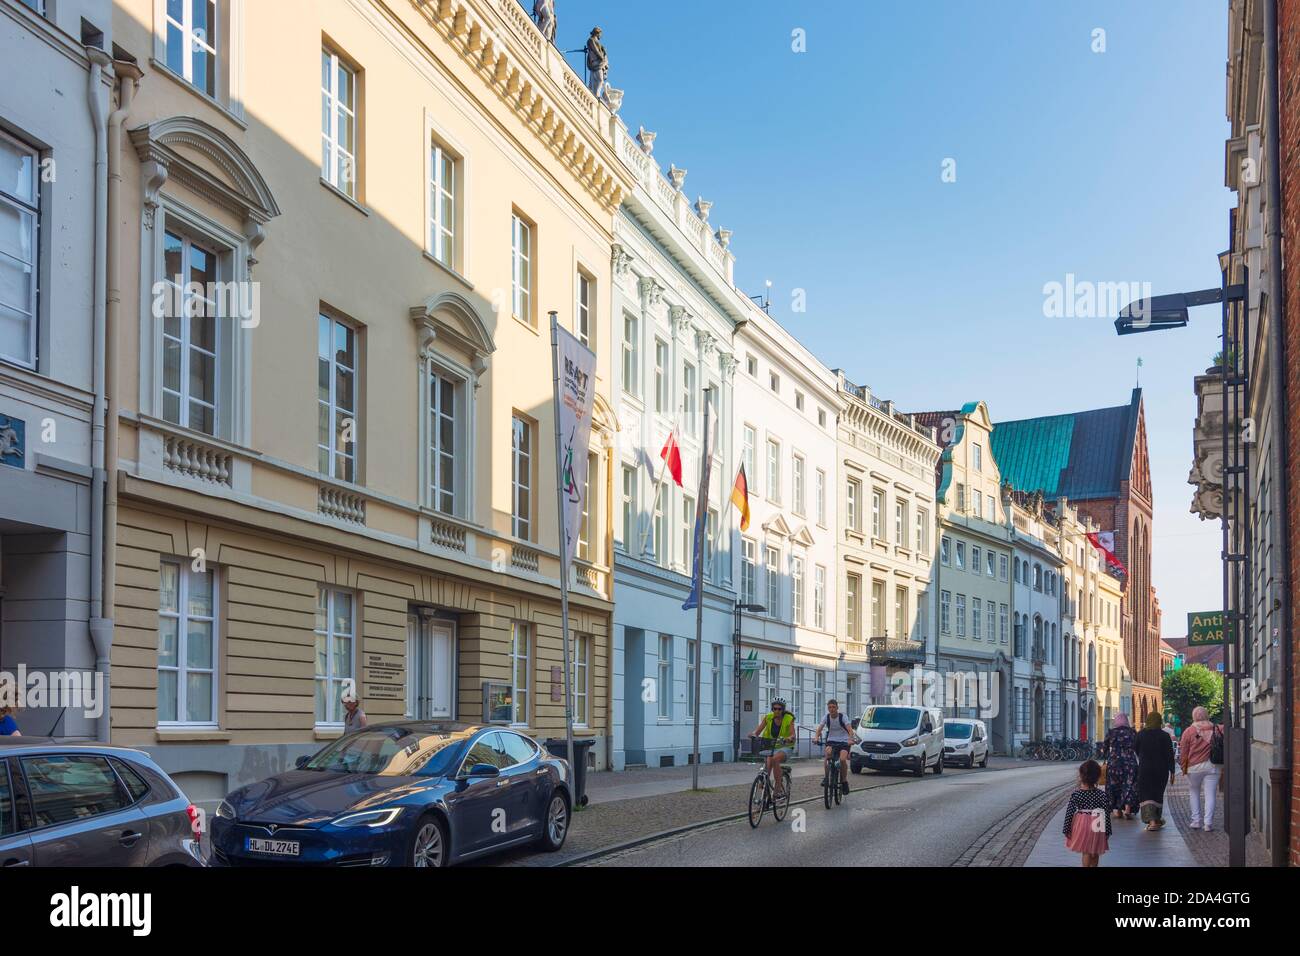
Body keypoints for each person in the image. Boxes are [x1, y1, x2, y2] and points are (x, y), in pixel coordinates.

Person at [1179, 706, 1222, 831]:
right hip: (1213, 766)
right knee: (1210, 794)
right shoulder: (1217, 729)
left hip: (1194, 767)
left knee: (1194, 792)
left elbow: (1183, 752)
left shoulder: (1189, 731)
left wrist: (1184, 767)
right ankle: (1208, 823)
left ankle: (1196, 821)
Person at [1063, 759, 1111, 867]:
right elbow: (1105, 813)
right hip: (1098, 822)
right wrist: (1107, 831)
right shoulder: (1101, 795)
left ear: (1081, 775)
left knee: (1086, 851)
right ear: (1097, 776)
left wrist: (1066, 828)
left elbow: (1069, 812)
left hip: (1082, 822)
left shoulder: (1077, 794)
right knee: (1095, 851)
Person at [1135, 711, 1176, 830]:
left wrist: (1143, 756)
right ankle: (1156, 819)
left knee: (1146, 793)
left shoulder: (1141, 734)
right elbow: (1169, 755)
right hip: (1161, 770)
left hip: (1145, 769)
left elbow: (1136, 749)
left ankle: (1152, 821)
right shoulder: (1164, 736)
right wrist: (1172, 771)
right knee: (1157, 793)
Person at [751, 697, 795, 799]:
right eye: (774, 708)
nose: (777, 711)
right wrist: (753, 735)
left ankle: (778, 789)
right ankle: (764, 785)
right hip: (771, 746)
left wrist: (788, 738)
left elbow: (793, 735)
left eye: (779, 709)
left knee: (775, 759)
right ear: (772, 709)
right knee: (768, 762)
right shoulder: (768, 717)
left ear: (783, 709)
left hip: (786, 747)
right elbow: (757, 731)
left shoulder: (789, 718)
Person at [813, 698, 859, 793]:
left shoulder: (843, 717)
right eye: (829, 707)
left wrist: (850, 739)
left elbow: (850, 730)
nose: (832, 709)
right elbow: (819, 729)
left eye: (833, 707)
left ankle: (844, 781)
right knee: (827, 756)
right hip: (831, 740)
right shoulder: (826, 717)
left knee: (842, 759)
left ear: (837, 708)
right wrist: (816, 738)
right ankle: (826, 777)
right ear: (828, 708)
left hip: (844, 741)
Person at [1100, 713, 1138, 819]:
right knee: (1130, 786)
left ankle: (1118, 810)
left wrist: (1107, 755)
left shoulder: (1111, 733)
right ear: (1126, 720)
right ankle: (1128, 809)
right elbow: (1137, 747)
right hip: (1130, 763)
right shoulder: (1132, 732)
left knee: (1114, 787)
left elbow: (1104, 748)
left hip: (1114, 764)